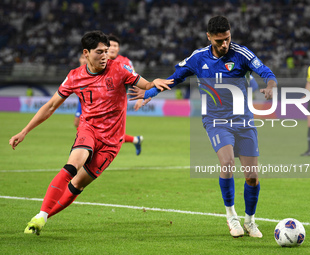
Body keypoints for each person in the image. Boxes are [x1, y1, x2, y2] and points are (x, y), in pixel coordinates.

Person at [9, 30, 173, 235]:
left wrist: (154, 85)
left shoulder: (120, 69)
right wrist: (24, 131)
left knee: (78, 184)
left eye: (106, 51)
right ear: (86, 53)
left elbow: (146, 84)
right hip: (89, 129)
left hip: (113, 140)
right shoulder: (74, 76)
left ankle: (42, 218)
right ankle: (41, 214)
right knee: (73, 165)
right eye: (99, 52)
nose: (104, 56)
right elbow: (51, 106)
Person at [129, 16, 277, 238]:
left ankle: (250, 220)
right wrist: (150, 93)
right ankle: (231, 216)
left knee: (252, 176)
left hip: (243, 120)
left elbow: (266, 72)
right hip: (216, 120)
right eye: (219, 41)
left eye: (227, 39)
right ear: (209, 37)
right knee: (227, 162)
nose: (224, 44)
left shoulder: (241, 53)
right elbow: (173, 79)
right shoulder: (198, 58)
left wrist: (270, 86)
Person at [74, 47, 144, 155]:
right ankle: (85, 145)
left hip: (110, 101)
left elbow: (134, 79)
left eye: (115, 46)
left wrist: (140, 98)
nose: (112, 48)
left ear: (118, 48)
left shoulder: (123, 62)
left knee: (107, 132)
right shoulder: (92, 64)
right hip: (86, 98)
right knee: (78, 123)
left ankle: (86, 148)